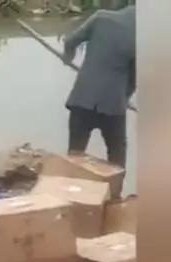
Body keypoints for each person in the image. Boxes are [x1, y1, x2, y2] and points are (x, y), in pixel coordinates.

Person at [62, 4, 136, 168]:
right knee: (117, 157)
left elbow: (70, 41)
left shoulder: (100, 18)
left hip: (82, 99)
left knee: (75, 155)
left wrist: (68, 56)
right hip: (112, 106)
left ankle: (71, 181)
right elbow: (134, 77)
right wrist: (125, 96)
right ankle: (116, 185)